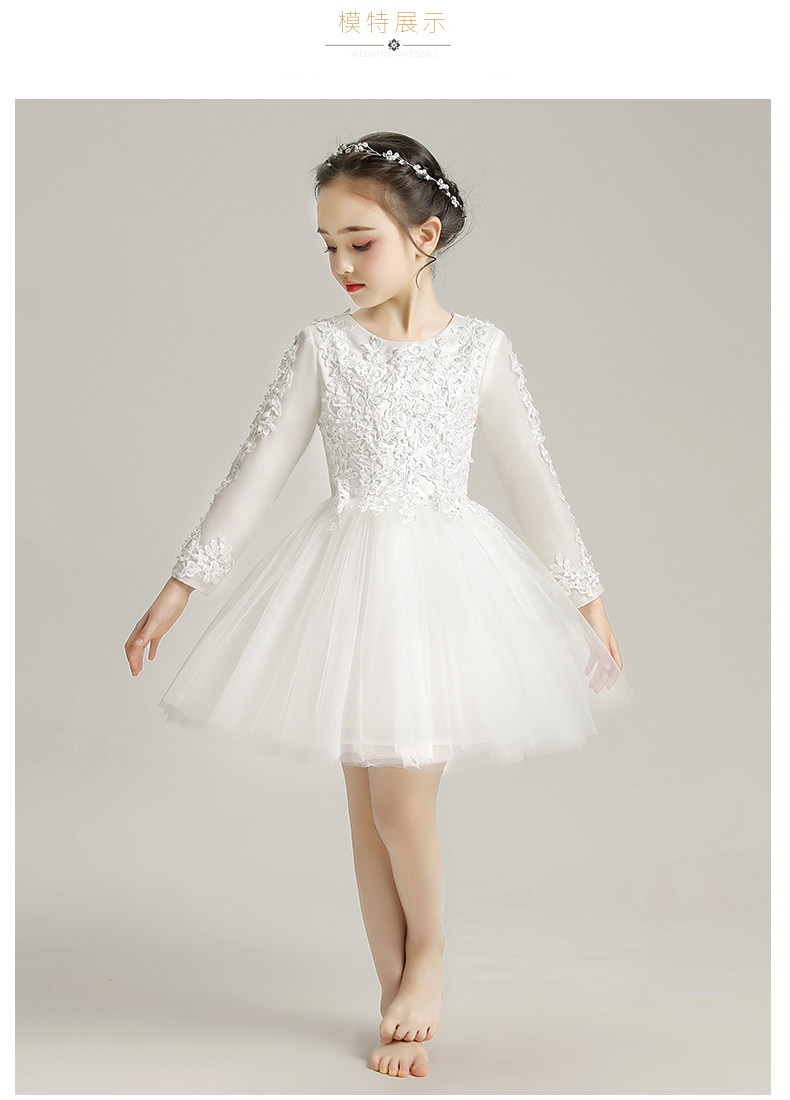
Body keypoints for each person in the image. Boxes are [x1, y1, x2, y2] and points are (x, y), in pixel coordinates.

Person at [124, 131, 634, 1078]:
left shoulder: (479, 349)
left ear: (424, 236)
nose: (340, 264)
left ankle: (429, 954)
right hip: (348, 580)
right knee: (364, 808)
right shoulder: (324, 348)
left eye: (360, 242)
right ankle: (394, 993)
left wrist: (586, 597)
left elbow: (531, 478)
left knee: (402, 802)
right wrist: (179, 589)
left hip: (440, 588)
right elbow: (257, 473)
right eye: (327, 245)